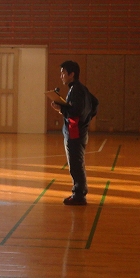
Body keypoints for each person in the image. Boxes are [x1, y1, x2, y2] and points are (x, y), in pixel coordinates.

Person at [50, 60, 99, 206]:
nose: (61, 76)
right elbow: (94, 103)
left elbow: (75, 111)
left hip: (75, 132)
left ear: (71, 74)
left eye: (63, 73)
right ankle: (79, 192)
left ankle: (79, 194)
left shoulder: (77, 90)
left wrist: (61, 109)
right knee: (76, 163)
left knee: (75, 164)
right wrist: (87, 119)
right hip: (77, 130)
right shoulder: (79, 88)